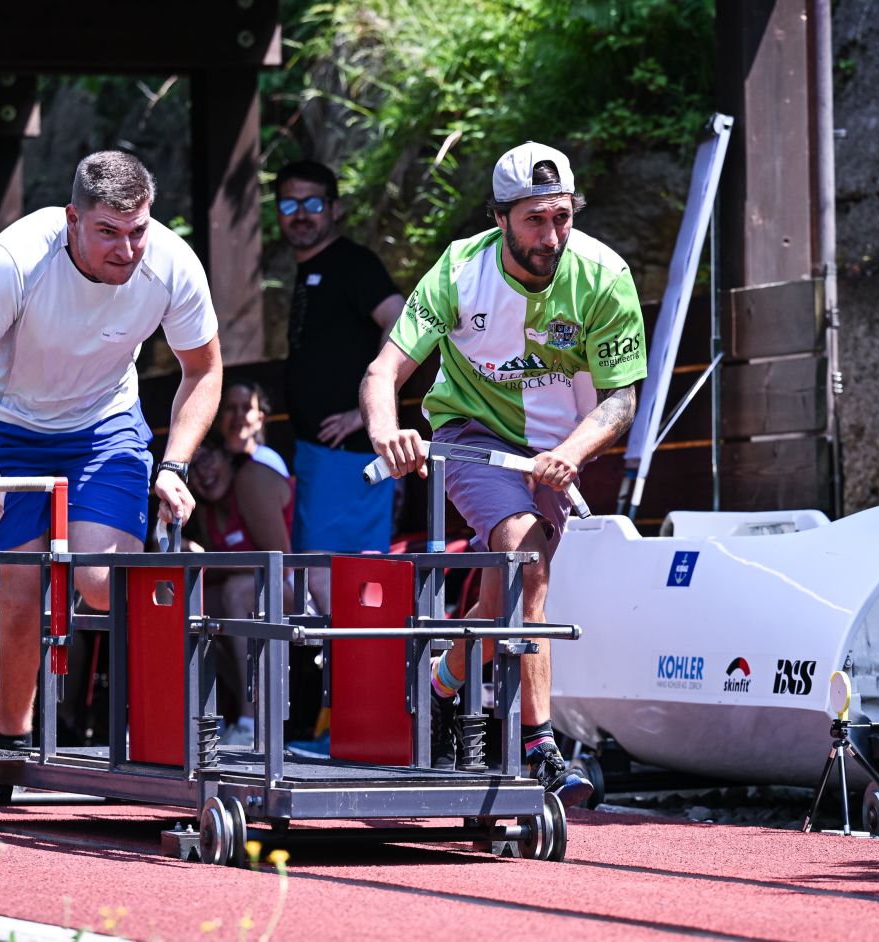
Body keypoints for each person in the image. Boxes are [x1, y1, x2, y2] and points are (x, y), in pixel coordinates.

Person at [360, 142, 647, 806]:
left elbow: (621, 398)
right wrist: (387, 433)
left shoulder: (603, 274)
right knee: (526, 557)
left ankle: (443, 677)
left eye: (562, 217)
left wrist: (573, 452)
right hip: (473, 435)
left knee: (512, 593)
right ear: (500, 220)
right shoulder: (460, 271)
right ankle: (540, 746)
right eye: (534, 222)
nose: (551, 237)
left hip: (557, 445)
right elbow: (383, 372)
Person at [0, 149, 222, 750]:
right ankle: (11, 738)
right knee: (20, 593)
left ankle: (167, 738)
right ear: (72, 220)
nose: (127, 249)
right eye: (108, 233)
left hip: (103, 424)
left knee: (99, 581)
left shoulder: (172, 263)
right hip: (6, 428)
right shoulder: (12, 261)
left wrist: (174, 464)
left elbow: (204, 368)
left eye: (137, 230)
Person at [275, 161, 405, 590]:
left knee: (344, 584)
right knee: (321, 583)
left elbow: (400, 320)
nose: (300, 214)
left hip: (350, 455)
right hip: (318, 454)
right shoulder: (309, 267)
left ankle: (370, 660)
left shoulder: (352, 263)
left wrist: (364, 411)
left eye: (312, 202)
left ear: (334, 208)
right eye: (289, 203)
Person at [186, 435, 294, 746]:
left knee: (235, 593)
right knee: (188, 603)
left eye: (206, 458)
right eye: (191, 468)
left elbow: (280, 564)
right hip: (258, 596)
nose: (201, 472)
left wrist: (206, 563)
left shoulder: (250, 480)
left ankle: (252, 725)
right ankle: (204, 720)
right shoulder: (206, 509)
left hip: (302, 589)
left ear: (226, 454)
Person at [215, 380, 288, 479]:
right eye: (231, 407)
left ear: (260, 420)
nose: (239, 414)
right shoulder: (210, 467)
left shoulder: (269, 462)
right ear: (219, 417)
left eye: (246, 408)